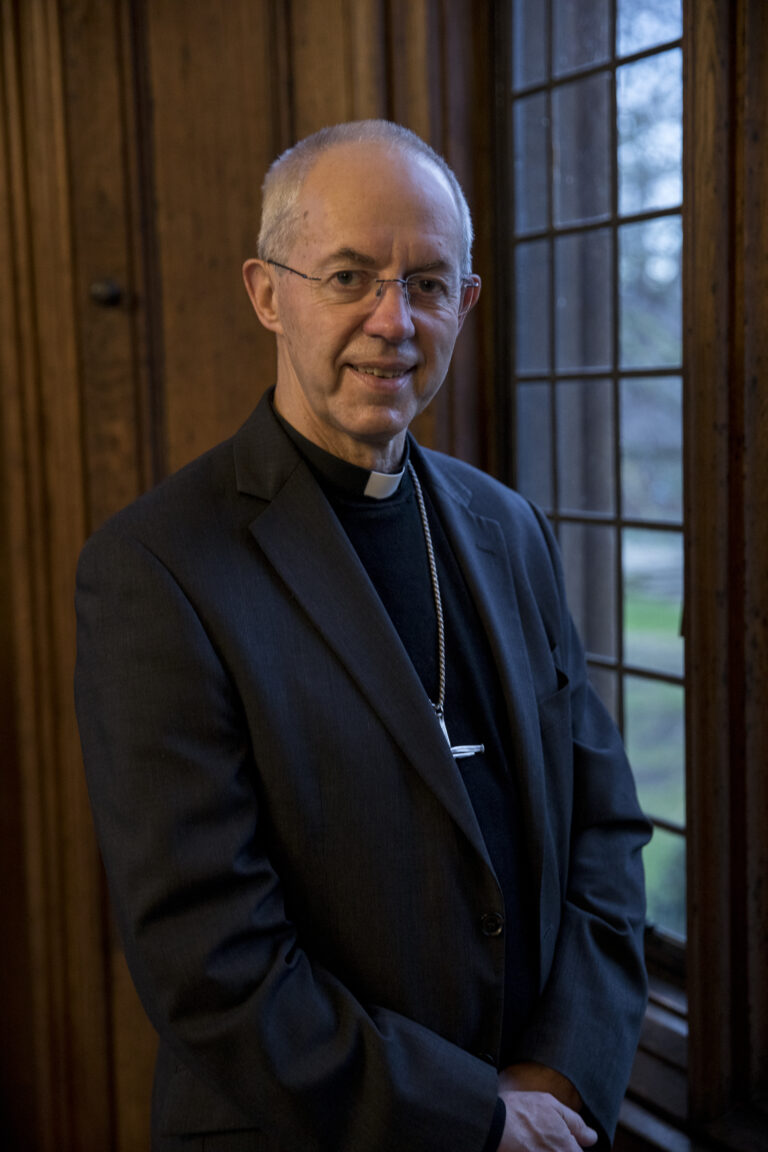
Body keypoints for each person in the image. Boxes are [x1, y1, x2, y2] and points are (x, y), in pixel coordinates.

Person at [75, 120, 651, 1152]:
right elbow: (212, 963)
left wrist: (559, 1077)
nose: (394, 321)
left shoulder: (506, 529)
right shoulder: (157, 570)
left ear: (465, 306)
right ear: (267, 292)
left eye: (429, 284)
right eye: (349, 276)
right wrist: (480, 1117)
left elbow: (604, 831)